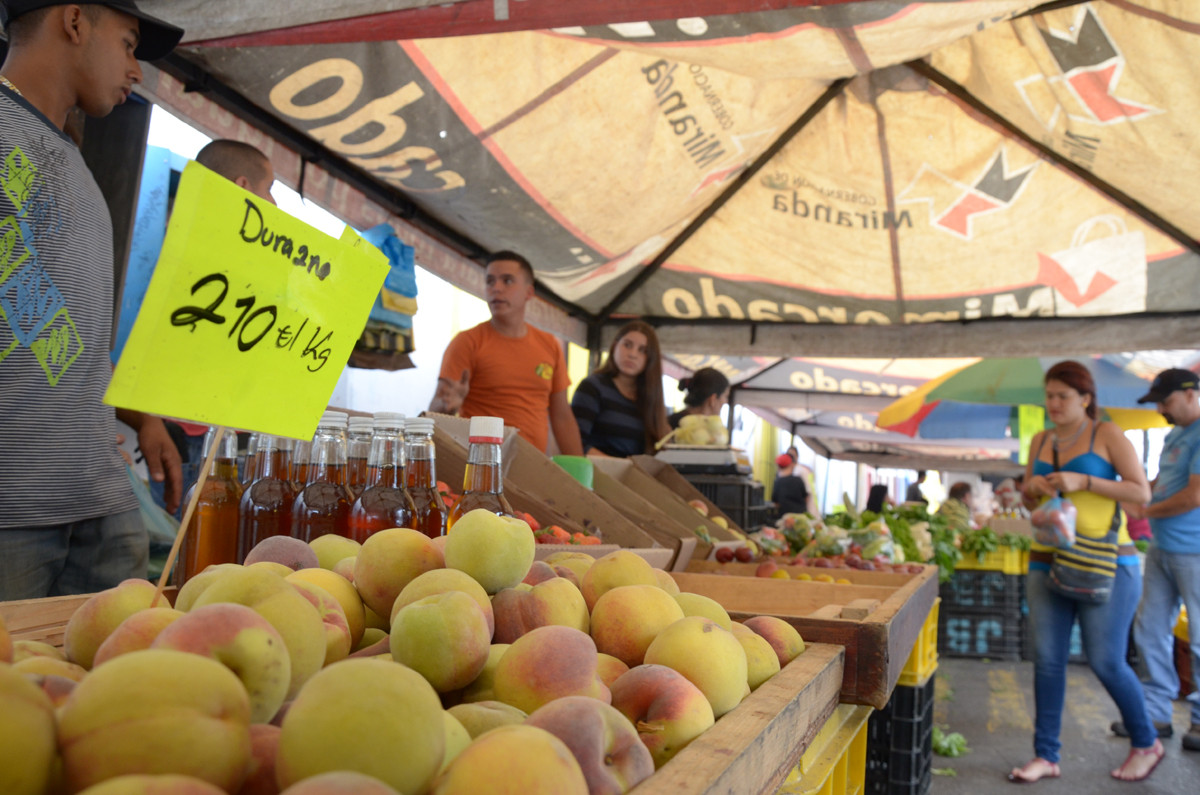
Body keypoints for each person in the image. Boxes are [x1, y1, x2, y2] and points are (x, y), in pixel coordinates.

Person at [0, 0, 184, 600]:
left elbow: (54, 323)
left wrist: (135, 409)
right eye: (129, 45)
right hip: (16, 512)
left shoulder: (71, 157)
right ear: (74, 22)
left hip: (99, 502)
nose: (136, 71)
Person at [1012, 361, 1158, 783]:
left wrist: (1085, 482)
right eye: (1049, 395)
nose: (1054, 403)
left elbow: (1139, 492)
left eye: (1063, 396)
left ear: (1086, 399)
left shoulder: (1107, 434)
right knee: (1048, 661)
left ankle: (1146, 742)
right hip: (1047, 558)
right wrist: (1033, 490)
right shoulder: (1040, 440)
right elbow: (1028, 503)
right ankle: (1045, 755)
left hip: (1108, 561)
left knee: (1107, 661)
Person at [149, 139, 278, 516]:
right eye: (270, 189)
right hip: (198, 436)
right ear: (243, 187)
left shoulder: (177, 239)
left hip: (198, 428)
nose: (275, 204)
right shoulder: (218, 253)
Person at [431, 251, 583, 455]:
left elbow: (562, 416)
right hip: (479, 465)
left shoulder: (550, 345)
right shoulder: (467, 342)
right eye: (490, 281)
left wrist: (581, 477)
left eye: (507, 281)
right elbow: (436, 413)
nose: (496, 288)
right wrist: (446, 408)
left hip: (531, 468)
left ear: (529, 292)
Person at [1125, 368, 1200, 752]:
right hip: (1162, 549)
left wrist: (1146, 511)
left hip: (1195, 551)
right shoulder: (1175, 435)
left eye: (1165, 401)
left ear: (1191, 394)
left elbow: (1193, 496)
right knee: (1151, 630)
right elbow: (1162, 481)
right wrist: (1139, 491)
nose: (1160, 410)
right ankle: (1156, 714)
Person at [570, 321, 669, 457]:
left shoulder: (651, 401)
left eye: (642, 350)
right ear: (615, 346)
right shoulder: (593, 387)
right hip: (594, 474)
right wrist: (617, 467)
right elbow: (573, 442)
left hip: (634, 476)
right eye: (627, 345)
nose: (632, 354)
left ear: (651, 359)